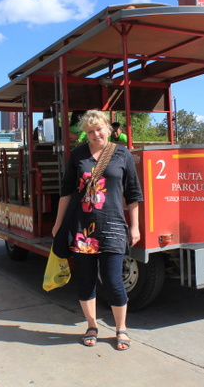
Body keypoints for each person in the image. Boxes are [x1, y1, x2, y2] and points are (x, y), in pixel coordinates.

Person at [52, 110, 143, 351]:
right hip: (83, 228)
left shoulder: (122, 153)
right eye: (90, 131)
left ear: (108, 128)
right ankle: (91, 326)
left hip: (113, 225)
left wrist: (135, 226)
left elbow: (133, 193)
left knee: (114, 281)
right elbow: (66, 191)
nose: (95, 134)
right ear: (85, 132)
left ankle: (121, 328)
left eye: (99, 129)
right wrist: (59, 224)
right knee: (86, 281)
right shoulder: (78, 155)